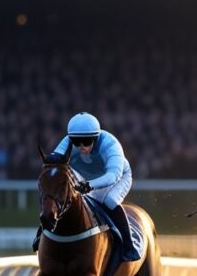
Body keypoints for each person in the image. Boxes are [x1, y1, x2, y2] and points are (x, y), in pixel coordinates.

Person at [37, 112, 140, 261]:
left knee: (109, 201)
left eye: (86, 142)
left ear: (96, 138)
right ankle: (42, 231)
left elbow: (113, 176)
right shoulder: (68, 141)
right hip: (86, 176)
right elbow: (56, 160)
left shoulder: (110, 144)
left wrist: (90, 186)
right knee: (65, 193)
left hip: (118, 177)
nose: (81, 147)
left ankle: (129, 245)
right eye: (77, 142)